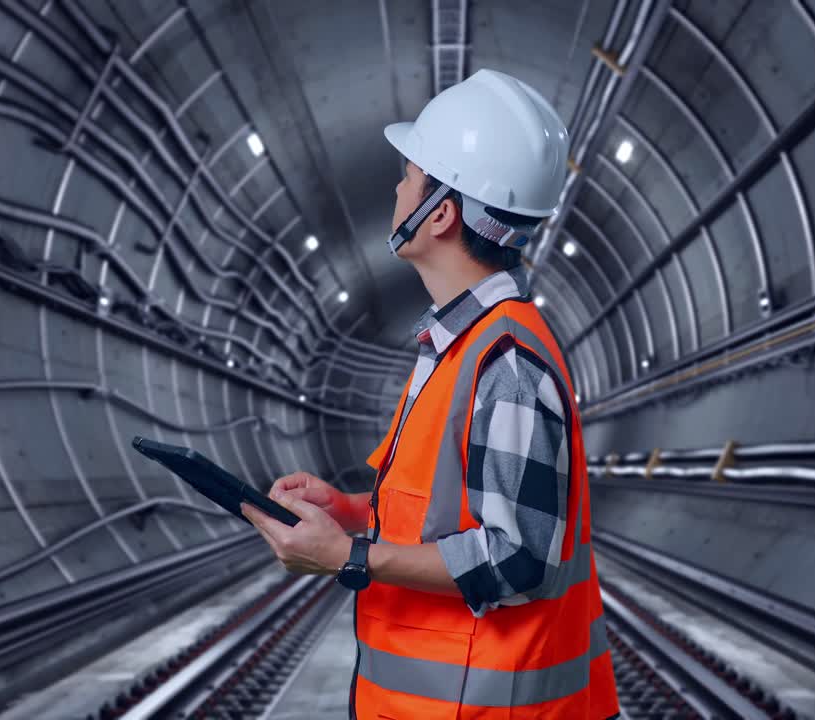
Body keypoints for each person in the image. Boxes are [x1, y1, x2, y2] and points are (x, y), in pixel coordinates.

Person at [241, 68, 619, 719]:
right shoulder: (458, 346)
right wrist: (351, 510)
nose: (396, 186)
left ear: (439, 213)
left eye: (410, 175)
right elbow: (447, 511)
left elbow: (520, 559)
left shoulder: (506, 365)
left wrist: (351, 556)